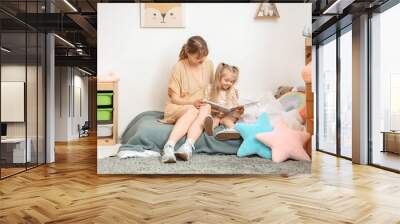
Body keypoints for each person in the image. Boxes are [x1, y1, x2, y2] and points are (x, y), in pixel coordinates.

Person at [158, 36, 214, 163]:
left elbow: (211, 89)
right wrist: (192, 103)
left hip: (200, 105)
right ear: (188, 53)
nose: (202, 60)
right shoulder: (179, 67)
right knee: (193, 110)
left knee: (207, 107)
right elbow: (175, 98)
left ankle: (187, 146)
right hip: (179, 106)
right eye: (197, 57)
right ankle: (169, 147)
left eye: (204, 55)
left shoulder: (209, 64)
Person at [203, 62, 243, 140]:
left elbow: (235, 104)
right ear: (218, 77)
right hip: (216, 114)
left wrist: (237, 109)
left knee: (226, 120)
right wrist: (214, 111)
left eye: (232, 82)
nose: (229, 83)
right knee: (216, 119)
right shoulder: (210, 88)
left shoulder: (232, 91)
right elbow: (206, 102)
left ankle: (233, 130)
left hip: (229, 115)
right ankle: (209, 129)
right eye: (226, 80)